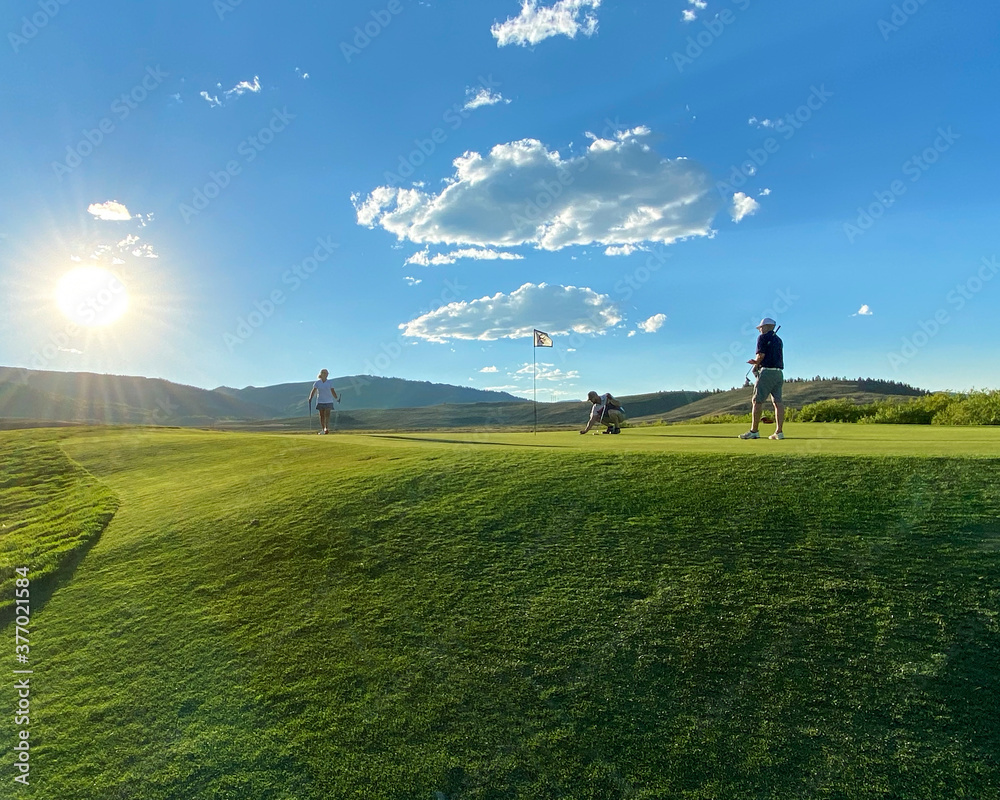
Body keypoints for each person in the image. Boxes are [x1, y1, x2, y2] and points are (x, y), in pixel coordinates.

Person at [739, 318, 785, 440]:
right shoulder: (778, 340)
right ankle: (779, 432)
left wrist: (755, 362)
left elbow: (761, 355)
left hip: (767, 372)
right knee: (778, 403)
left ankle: (754, 431)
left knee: (757, 402)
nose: (760, 330)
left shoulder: (762, 338)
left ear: (766, 327)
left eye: (760, 328)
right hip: (779, 373)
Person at [307, 369, 339, 435]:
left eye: (326, 373)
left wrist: (336, 398)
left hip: (329, 400)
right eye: (324, 373)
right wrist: (310, 397)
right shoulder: (317, 383)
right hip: (320, 401)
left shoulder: (330, 382)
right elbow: (313, 391)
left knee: (327, 414)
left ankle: (326, 428)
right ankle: (323, 428)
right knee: (322, 415)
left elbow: (332, 391)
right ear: (321, 374)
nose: (325, 374)